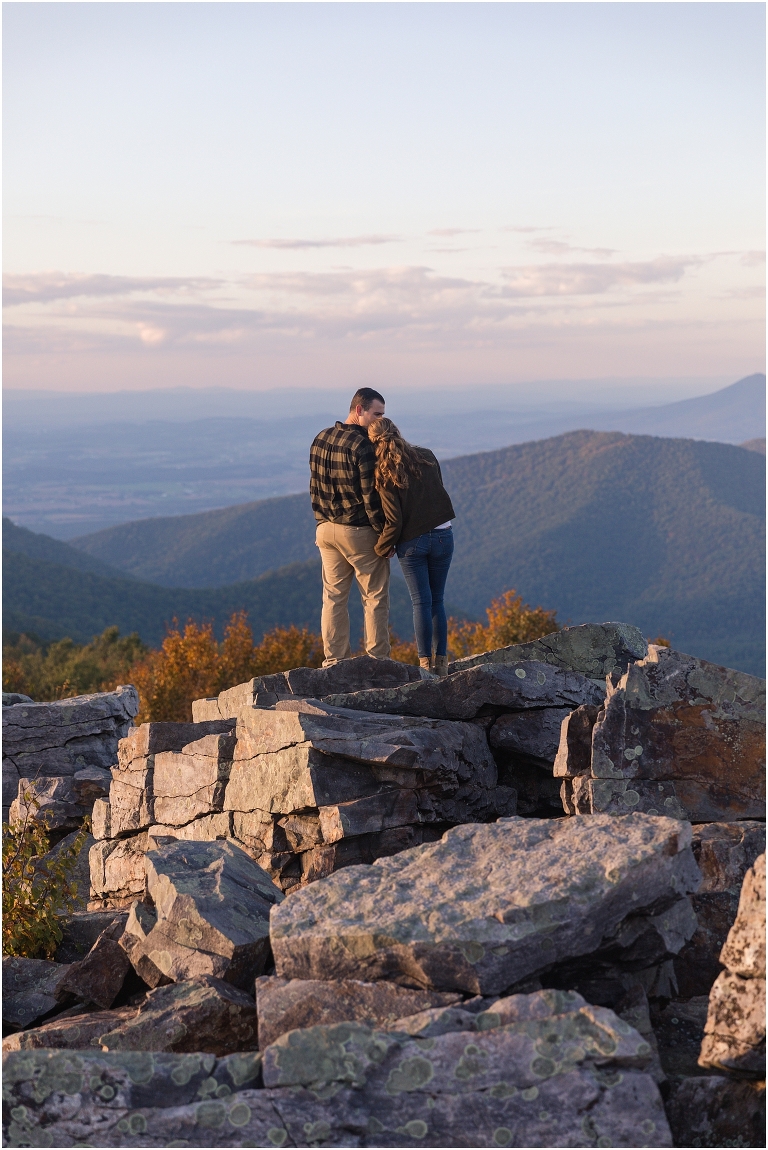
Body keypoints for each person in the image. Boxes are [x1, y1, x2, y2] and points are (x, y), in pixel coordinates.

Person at [367, 416, 456, 676]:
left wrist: (381, 548)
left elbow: (394, 521)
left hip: (412, 544)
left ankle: (425, 665)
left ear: (374, 442)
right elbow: (437, 491)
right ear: (397, 432)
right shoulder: (426, 455)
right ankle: (442, 662)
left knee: (421, 603)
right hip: (443, 535)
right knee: (437, 600)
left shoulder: (383, 473)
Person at [309, 387, 391, 667]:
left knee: (333, 597)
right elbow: (370, 496)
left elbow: (314, 488)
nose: (380, 420)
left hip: (325, 529)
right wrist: (384, 535)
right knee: (374, 597)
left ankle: (334, 661)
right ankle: (378, 661)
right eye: (376, 414)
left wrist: (320, 520)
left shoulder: (320, 438)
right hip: (357, 530)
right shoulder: (363, 446)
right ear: (359, 410)